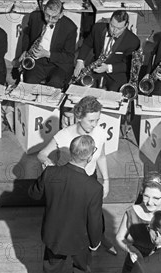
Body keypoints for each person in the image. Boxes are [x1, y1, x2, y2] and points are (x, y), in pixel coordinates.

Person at [28, 135, 103, 273]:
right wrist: (95, 243)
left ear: (70, 151)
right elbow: (94, 221)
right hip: (80, 241)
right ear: (90, 156)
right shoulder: (94, 188)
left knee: (50, 272)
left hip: (54, 236)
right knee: (80, 271)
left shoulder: (51, 174)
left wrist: (44, 174)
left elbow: (34, 194)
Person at [37, 96, 116, 255]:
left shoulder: (100, 132)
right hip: (68, 182)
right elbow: (41, 154)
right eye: (91, 120)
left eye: (97, 120)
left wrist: (106, 180)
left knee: (95, 214)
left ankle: (100, 238)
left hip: (89, 179)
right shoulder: (64, 134)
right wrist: (49, 164)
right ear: (79, 117)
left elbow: (101, 156)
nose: (95, 125)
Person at [73, 10, 140, 92]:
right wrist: (80, 61)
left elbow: (128, 65)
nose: (114, 31)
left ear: (126, 26)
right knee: (84, 91)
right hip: (96, 68)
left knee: (115, 97)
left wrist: (108, 68)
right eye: (112, 26)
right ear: (109, 21)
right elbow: (87, 44)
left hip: (116, 73)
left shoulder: (133, 41)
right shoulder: (97, 28)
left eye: (119, 28)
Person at [20, 0, 77, 89]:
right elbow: (27, 34)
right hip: (37, 62)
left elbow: (69, 57)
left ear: (61, 14)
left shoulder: (70, 28)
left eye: (54, 17)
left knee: (54, 85)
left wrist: (47, 54)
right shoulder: (34, 17)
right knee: (28, 84)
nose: (49, 20)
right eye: (47, 15)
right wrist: (25, 50)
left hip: (57, 65)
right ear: (43, 9)